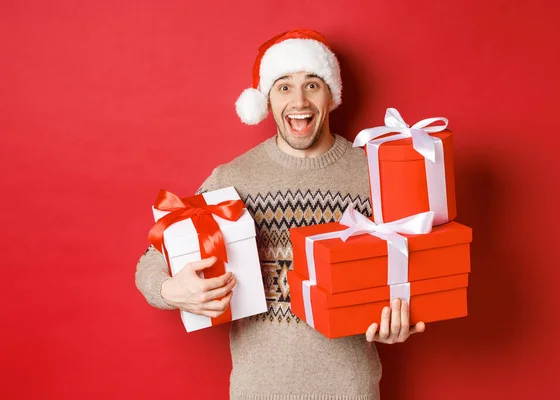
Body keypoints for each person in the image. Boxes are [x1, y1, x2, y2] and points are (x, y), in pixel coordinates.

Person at [135, 28, 425, 400]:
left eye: (312, 84)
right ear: (267, 99)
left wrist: (401, 320)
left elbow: (414, 275)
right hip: (257, 391)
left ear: (331, 95)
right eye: (284, 86)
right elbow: (149, 262)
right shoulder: (232, 179)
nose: (299, 100)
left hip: (350, 390)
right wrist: (173, 290)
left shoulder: (373, 174)